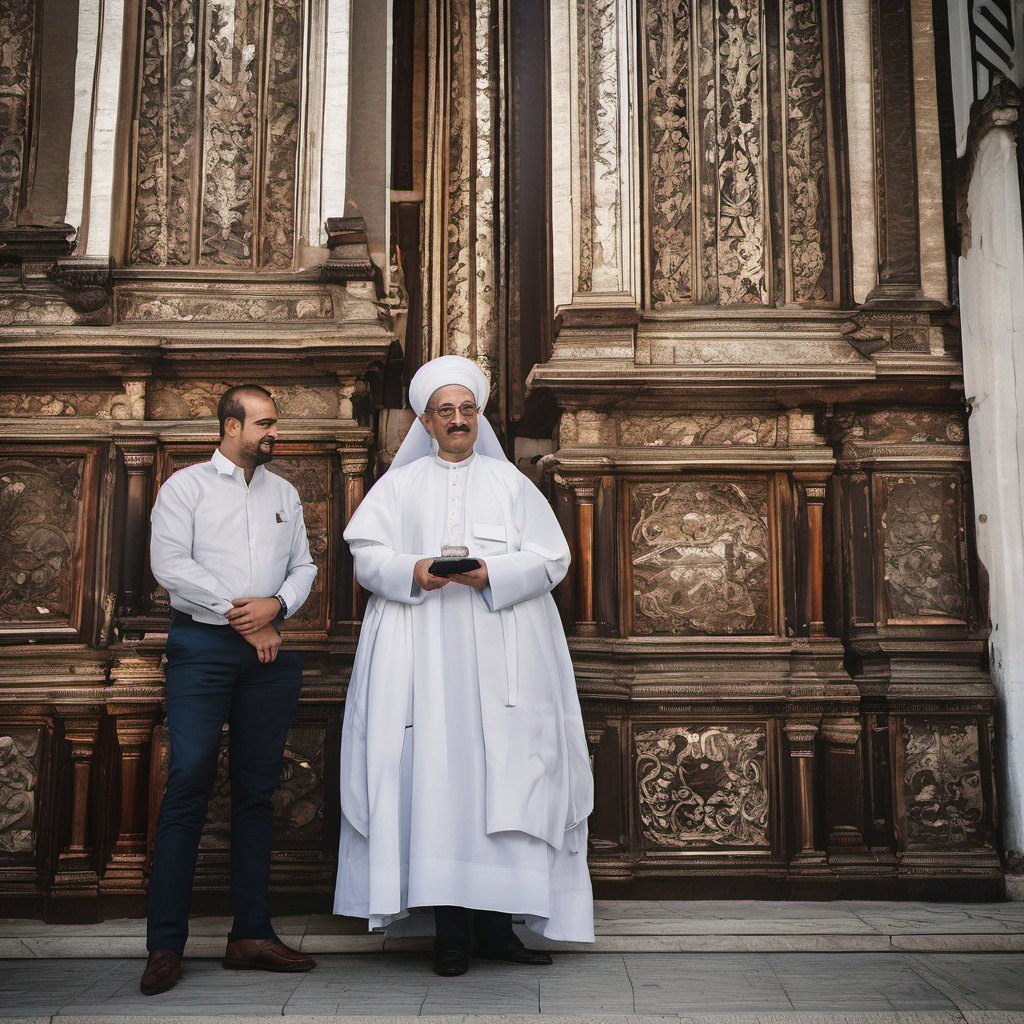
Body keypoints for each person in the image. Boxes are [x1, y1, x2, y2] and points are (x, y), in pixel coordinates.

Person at [334, 355, 594, 976]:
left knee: (504, 780)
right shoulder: (397, 487)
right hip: (420, 655)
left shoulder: (512, 485)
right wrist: (415, 571)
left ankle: (499, 932)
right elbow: (366, 553)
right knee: (436, 785)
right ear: (425, 421)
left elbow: (551, 558)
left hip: (507, 658)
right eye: (445, 411)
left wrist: (491, 573)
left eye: (467, 410)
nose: (457, 420)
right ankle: (449, 934)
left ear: (480, 417)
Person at [141, 384, 318, 995]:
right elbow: (172, 566)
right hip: (203, 649)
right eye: (264, 424)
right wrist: (246, 616)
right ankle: (164, 945)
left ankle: (251, 934)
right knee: (188, 780)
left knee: (256, 792)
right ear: (229, 426)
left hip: (267, 659)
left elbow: (305, 567)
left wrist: (278, 605)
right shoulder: (184, 487)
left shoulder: (284, 493)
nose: (274, 433)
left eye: (275, 423)